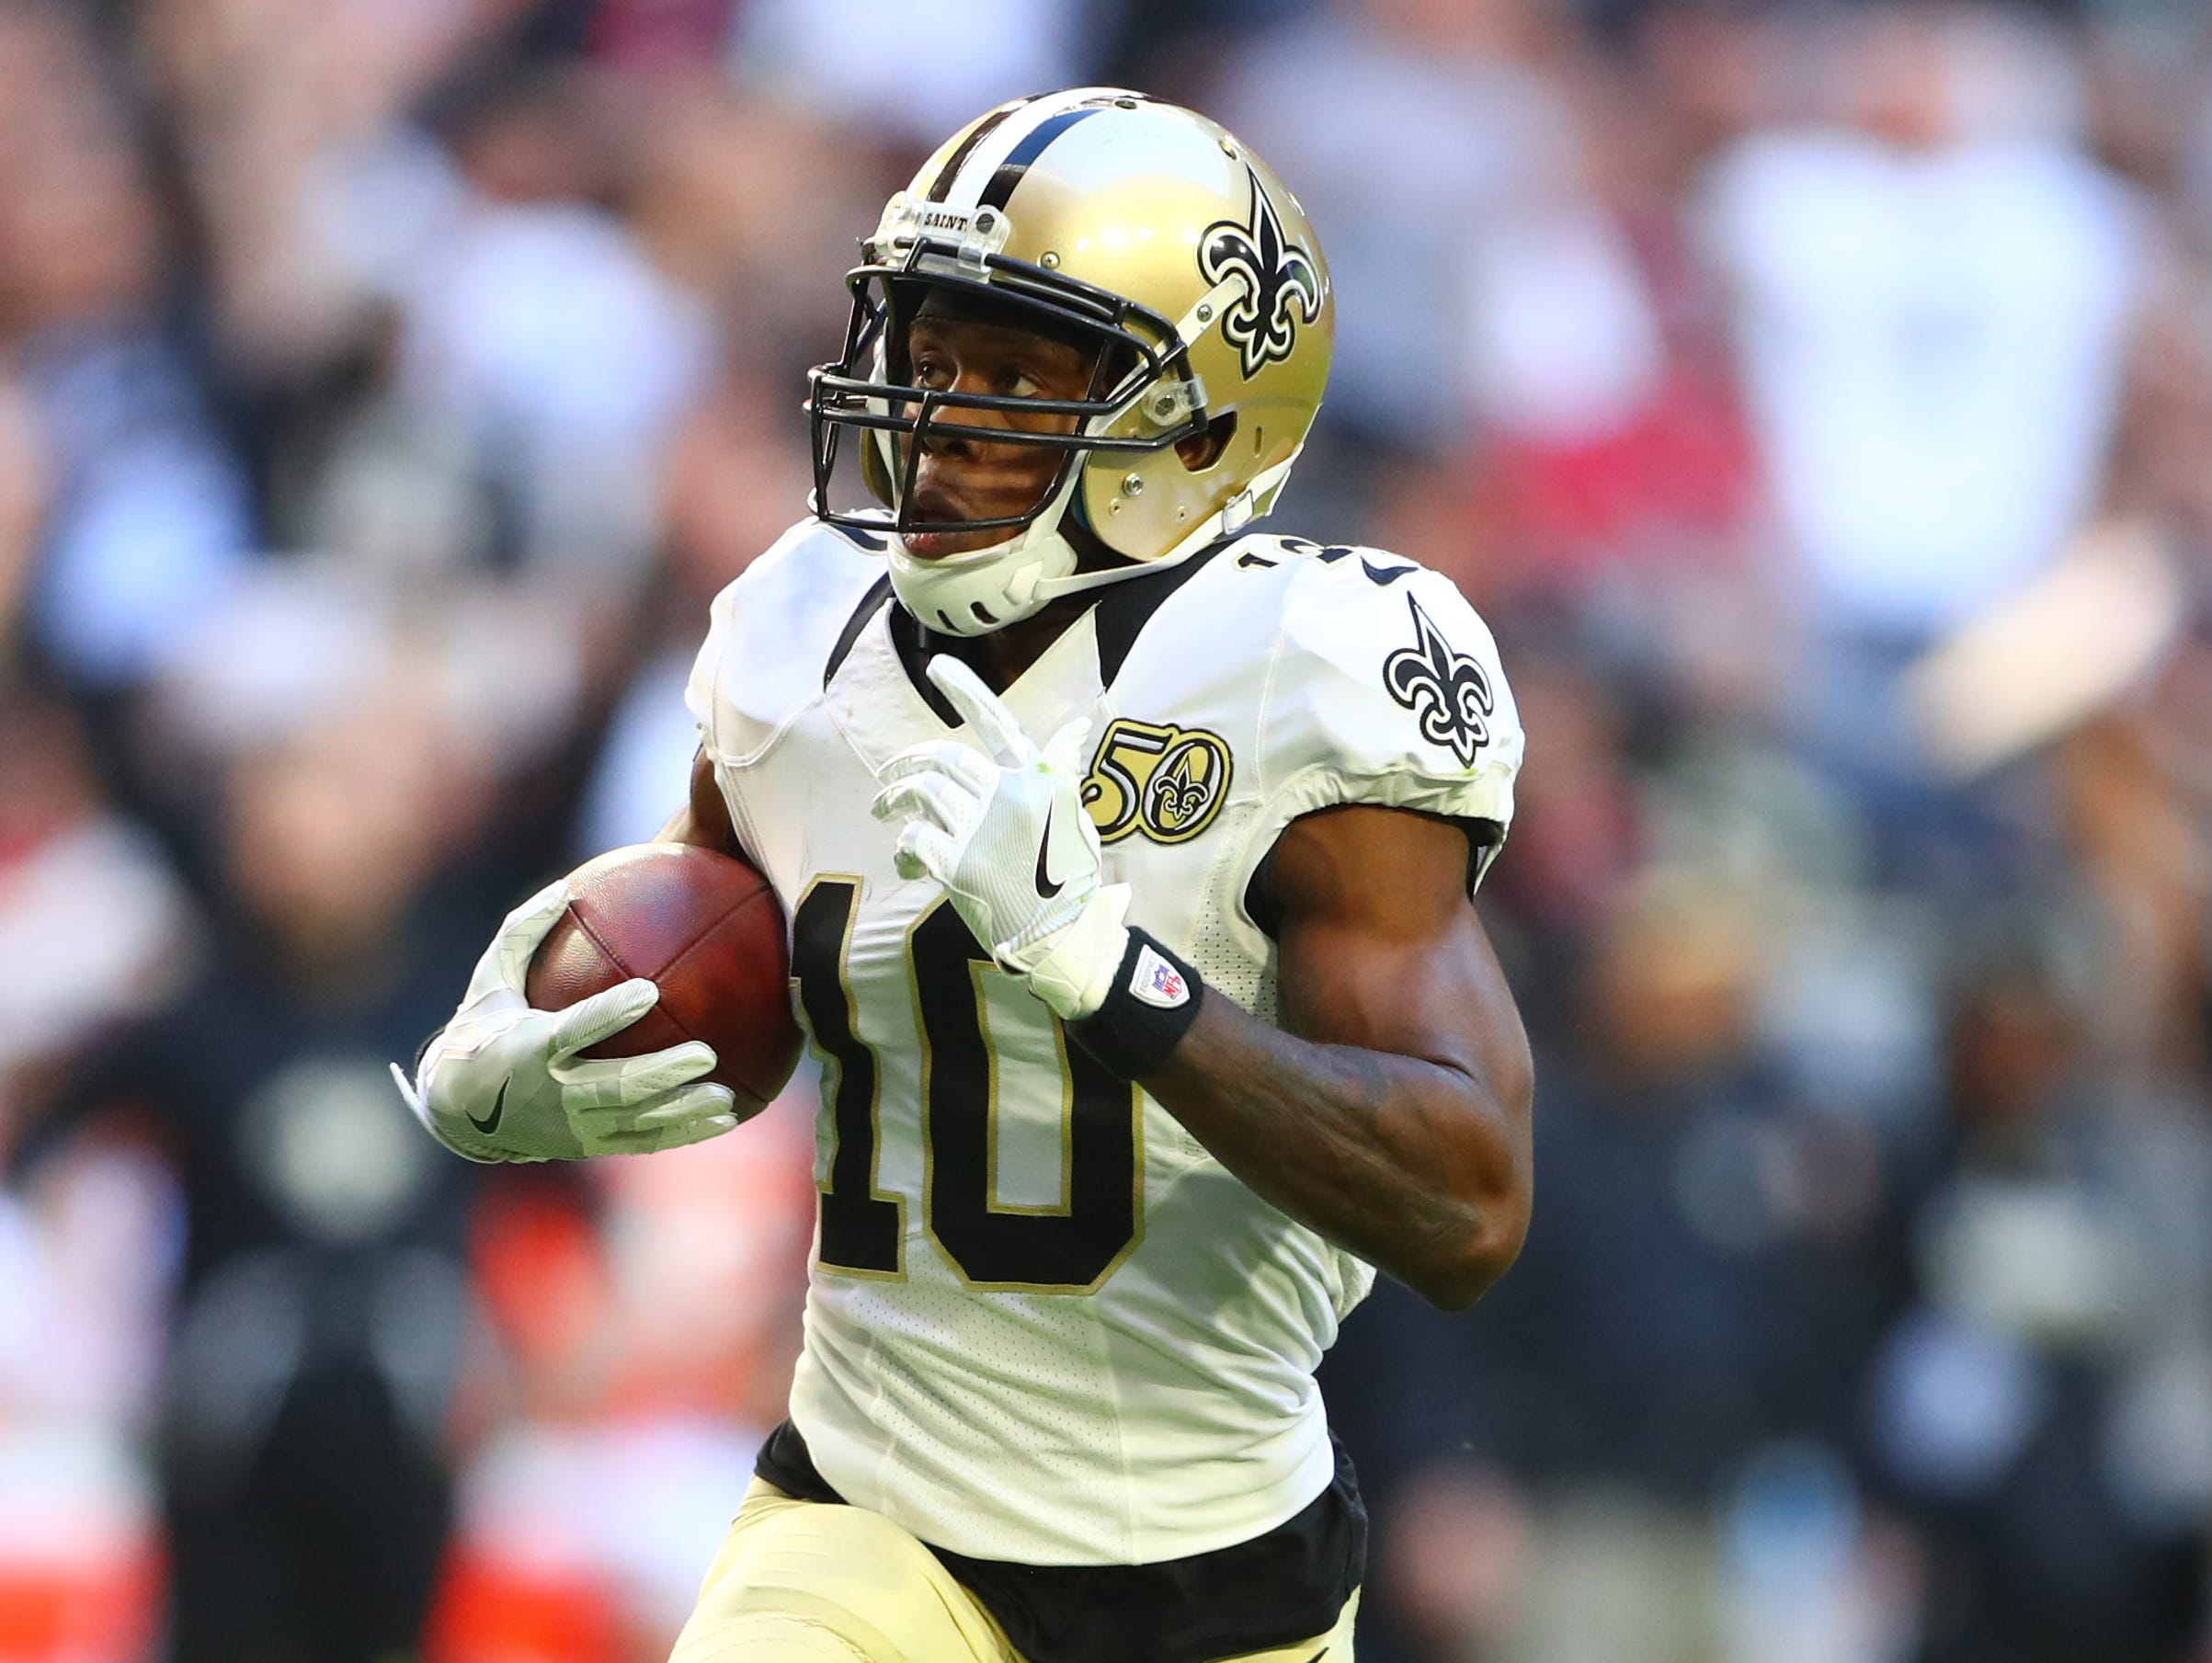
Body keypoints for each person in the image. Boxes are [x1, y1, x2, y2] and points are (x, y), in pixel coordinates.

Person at [393, 88, 1535, 1663]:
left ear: (1198, 425)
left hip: (1221, 1575)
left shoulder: (1301, 672)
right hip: (865, 1519)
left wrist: (1103, 970)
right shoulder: (799, 641)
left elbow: (1467, 1204)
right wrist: (530, 1056)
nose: (934, 425)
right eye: (926, 361)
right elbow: (744, 966)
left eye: (1013, 377)